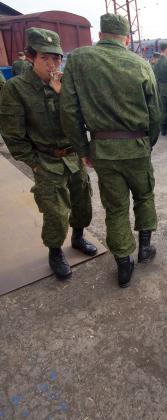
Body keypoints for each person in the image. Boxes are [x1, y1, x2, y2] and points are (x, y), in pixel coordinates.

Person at [60, 13, 161, 288]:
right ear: (126, 39)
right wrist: (147, 143)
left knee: (116, 208)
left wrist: (83, 148)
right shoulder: (141, 63)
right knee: (144, 195)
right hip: (137, 146)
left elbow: (69, 110)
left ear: (101, 36)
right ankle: (145, 247)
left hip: (102, 149)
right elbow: (155, 113)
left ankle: (123, 264)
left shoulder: (79, 60)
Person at [0, 28, 96, 279]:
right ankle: (55, 251)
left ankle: (77, 238)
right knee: (54, 212)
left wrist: (63, 95)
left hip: (73, 157)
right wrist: (34, 163)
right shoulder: (16, 89)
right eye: (46, 58)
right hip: (45, 159)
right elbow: (12, 134)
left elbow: (83, 120)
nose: (52, 64)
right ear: (32, 57)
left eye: (56, 58)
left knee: (82, 203)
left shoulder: (67, 86)